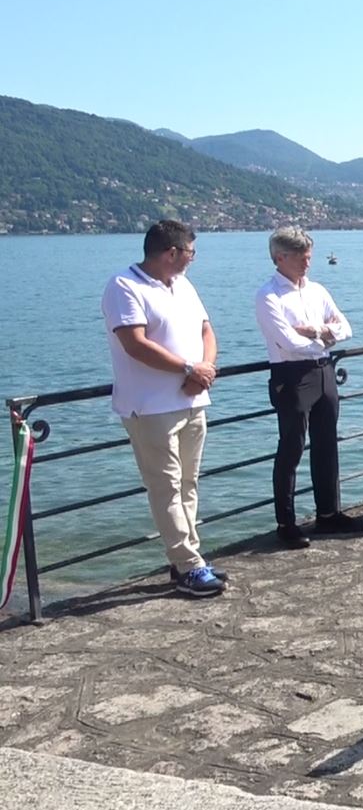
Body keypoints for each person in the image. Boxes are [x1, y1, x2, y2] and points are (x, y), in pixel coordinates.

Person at [101, 220, 225, 597]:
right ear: (172, 252)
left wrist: (203, 370)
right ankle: (188, 564)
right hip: (151, 407)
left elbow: (207, 330)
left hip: (191, 400)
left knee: (188, 483)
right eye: (191, 251)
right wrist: (188, 369)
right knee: (166, 486)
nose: (193, 258)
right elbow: (134, 344)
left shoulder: (182, 285)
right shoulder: (124, 286)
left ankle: (187, 557)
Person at [254, 226, 363, 549]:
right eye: (301, 257)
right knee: (291, 446)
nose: (307, 263)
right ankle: (285, 522)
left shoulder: (317, 290)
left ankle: (328, 513)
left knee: (327, 442)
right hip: (291, 375)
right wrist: (323, 334)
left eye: (309, 256)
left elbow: (345, 328)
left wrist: (314, 330)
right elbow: (287, 341)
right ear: (280, 257)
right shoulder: (268, 296)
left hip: (324, 371)